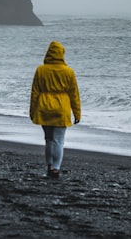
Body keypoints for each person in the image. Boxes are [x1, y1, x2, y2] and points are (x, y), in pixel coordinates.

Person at [29, 41, 82, 179]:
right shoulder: (69, 72)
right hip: (61, 108)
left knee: (48, 139)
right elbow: (74, 94)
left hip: (44, 106)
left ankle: (49, 165)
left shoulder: (40, 70)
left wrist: (32, 111)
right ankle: (56, 168)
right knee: (59, 140)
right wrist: (77, 113)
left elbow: (35, 92)